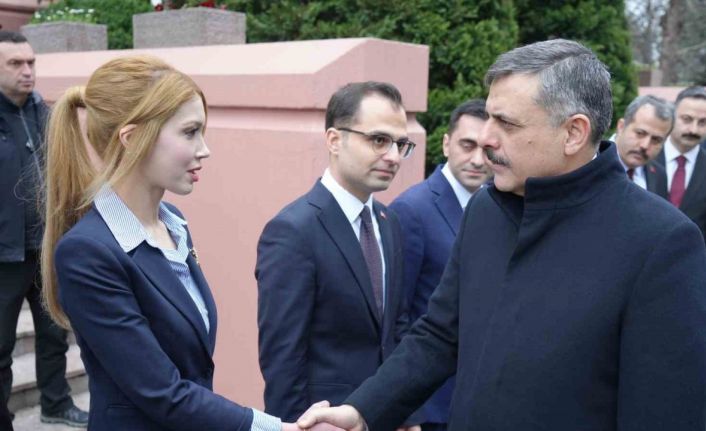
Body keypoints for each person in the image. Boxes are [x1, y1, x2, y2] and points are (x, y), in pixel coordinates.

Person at [298, 39, 706, 431]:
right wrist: (364, 410)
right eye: (490, 116)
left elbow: (663, 415)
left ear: (573, 133)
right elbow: (440, 335)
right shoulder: (486, 209)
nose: (487, 138)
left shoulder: (661, 242)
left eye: (506, 123)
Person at [41, 55, 312, 431]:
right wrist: (278, 428)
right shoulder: (88, 252)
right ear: (132, 139)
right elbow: (161, 392)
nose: (205, 149)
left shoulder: (174, 224)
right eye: (190, 132)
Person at [256, 82, 420, 428]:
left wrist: (407, 413)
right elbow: (283, 358)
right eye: (379, 140)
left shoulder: (388, 222)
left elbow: (397, 332)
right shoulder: (293, 230)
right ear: (334, 140)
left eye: (400, 144)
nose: (393, 156)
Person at [0, 30, 88, 427]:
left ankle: (55, 402)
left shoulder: (47, 114)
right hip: (4, 255)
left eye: (31, 62)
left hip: (48, 247)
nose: (27, 71)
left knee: (54, 335)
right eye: (15, 63)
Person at [388, 99, 490, 431]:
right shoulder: (411, 210)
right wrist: (407, 410)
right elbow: (397, 318)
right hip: (431, 406)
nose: (478, 159)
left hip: (479, 400)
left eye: (487, 149)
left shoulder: (497, 207)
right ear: (446, 144)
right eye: (467, 145)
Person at [653, 86, 706, 240]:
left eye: (702, 122)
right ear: (672, 116)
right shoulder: (645, 157)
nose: (693, 130)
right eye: (687, 119)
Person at [612, 95, 673, 193]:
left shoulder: (659, 176)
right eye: (640, 133)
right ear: (621, 127)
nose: (645, 145)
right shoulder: (591, 159)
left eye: (656, 139)